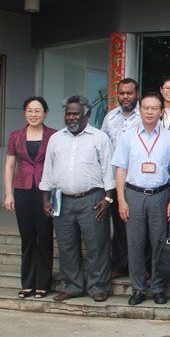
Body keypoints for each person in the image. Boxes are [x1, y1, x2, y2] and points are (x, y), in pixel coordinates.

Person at [39, 95, 115, 302]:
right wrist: (45, 200)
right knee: (66, 246)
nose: (71, 117)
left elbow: (108, 171)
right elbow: (48, 171)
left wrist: (108, 200)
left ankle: (98, 286)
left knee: (97, 245)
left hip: (93, 199)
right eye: (68, 114)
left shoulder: (99, 138)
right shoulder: (56, 139)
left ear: (86, 114)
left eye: (75, 114)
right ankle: (72, 287)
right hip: (62, 200)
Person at [112, 92, 170, 306]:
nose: (149, 112)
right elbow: (121, 170)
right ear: (140, 110)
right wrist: (121, 200)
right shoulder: (128, 137)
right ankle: (138, 289)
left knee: (160, 243)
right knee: (135, 243)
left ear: (161, 112)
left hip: (160, 195)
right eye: (146, 108)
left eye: (154, 108)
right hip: (134, 194)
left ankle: (158, 288)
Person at [4, 97, 57, 299]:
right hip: (23, 190)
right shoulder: (15, 136)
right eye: (29, 110)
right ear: (25, 113)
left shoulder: (53, 135)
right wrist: (8, 194)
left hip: (45, 192)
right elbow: (9, 165)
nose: (33, 114)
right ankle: (27, 284)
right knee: (27, 238)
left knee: (44, 237)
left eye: (37, 110)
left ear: (45, 113)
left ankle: (42, 284)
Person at [101, 78, 141, 279]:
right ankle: (120, 265)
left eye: (129, 93)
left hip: (137, 180)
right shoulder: (110, 117)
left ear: (137, 94)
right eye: (122, 93)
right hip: (115, 179)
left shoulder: (144, 115)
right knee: (119, 224)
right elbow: (103, 146)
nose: (125, 97)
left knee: (139, 225)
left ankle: (140, 266)